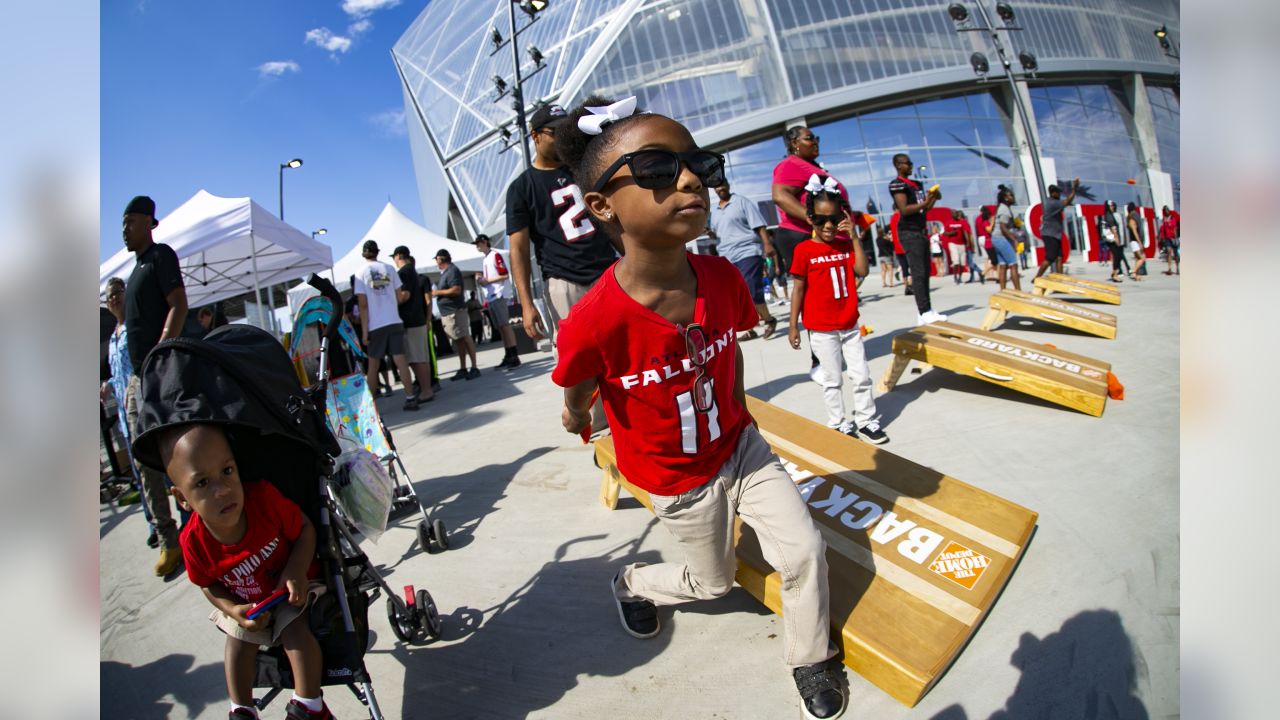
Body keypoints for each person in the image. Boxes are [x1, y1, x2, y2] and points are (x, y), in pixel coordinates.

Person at [552, 95, 848, 720]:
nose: (690, 180)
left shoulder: (723, 278)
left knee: (803, 551)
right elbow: (578, 386)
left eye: (698, 165)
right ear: (603, 206)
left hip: (740, 446)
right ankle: (632, 581)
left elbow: (731, 355)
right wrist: (577, 417)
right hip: (675, 478)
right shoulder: (593, 322)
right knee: (711, 583)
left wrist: (740, 417)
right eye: (658, 170)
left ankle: (811, 656)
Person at [158, 423, 332, 720]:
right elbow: (207, 583)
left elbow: (304, 528)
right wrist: (232, 608)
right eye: (202, 483)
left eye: (227, 471)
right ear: (182, 498)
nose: (222, 489)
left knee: (293, 630)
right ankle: (241, 709)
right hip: (251, 604)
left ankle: (310, 706)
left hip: (294, 586)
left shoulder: (263, 500)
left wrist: (295, 569)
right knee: (236, 639)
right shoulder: (193, 542)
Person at [506, 103, 619, 344]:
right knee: (577, 361)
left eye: (565, 130)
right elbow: (518, 249)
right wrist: (526, 304)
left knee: (624, 347)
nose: (562, 137)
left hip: (608, 272)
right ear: (535, 136)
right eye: (554, 131)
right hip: (564, 281)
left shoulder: (584, 168)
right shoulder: (522, 187)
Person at [787, 178, 889, 445]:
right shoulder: (804, 251)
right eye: (821, 220)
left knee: (862, 376)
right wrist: (793, 325)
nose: (829, 226)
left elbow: (863, 271)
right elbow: (797, 290)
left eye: (834, 219)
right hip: (821, 329)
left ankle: (867, 420)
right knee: (832, 380)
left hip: (850, 325)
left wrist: (854, 235)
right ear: (810, 219)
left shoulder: (846, 245)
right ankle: (838, 423)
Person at [121, 195, 186, 576]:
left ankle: (193, 524)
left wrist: (162, 352)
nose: (124, 230)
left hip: (157, 372)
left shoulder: (160, 256)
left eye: (130, 222)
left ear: (149, 222)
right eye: (123, 224)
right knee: (144, 460)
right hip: (134, 379)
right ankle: (167, 539)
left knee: (172, 451)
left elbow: (178, 303)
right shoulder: (134, 271)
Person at [101, 277, 157, 546]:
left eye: (117, 294)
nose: (113, 300)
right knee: (139, 473)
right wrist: (108, 385)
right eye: (108, 297)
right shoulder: (113, 337)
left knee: (154, 468)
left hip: (143, 407)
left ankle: (172, 521)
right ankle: (153, 525)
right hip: (125, 416)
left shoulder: (135, 328)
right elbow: (117, 373)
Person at [771, 126, 853, 281]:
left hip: (825, 237)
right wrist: (814, 218)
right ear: (794, 143)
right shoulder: (792, 164)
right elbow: (780, 195)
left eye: (817, 138)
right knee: (818, 294)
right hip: (804, 234)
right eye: (809, 138)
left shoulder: (811, 167)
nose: (815, 142)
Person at [354, 240, 421, 410]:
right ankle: (410, 396)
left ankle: (370, 407)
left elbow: (362, 305)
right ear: (377, 252)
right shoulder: (390, 269)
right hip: (394, 320)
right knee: (400, 360)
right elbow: (399, 297)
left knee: (373, 365)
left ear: (364, 254)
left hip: (375, 325)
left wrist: (364, 331)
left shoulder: (360, 273)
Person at [708, 181, 777, 339]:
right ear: (714, 189)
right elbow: (717, 234)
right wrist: (711, 234)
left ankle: (769, 320)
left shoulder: (742, 202)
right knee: (735, 295)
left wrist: (767, 244)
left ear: (728, 185)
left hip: (748, 252)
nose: (721, 188)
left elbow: (759, 225)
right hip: (726, 256)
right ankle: (750, 328)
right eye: (717, 186)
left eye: (723, 184)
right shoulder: (715, 211)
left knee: (751, 290)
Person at [889, 154, 944, 324]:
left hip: (920, 230)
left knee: (925, 271)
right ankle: (923, 311)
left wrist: (932, 199)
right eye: (907, 163)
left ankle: (926, 309)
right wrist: (926, 201)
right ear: (898, 165)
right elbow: (904, 209)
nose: (911, 166)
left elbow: (924, 208)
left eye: (911, 162)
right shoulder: (897, 184)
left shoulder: (917, 185)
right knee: (918, 271)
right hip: (909, 232)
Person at [390, 246, 437, 408]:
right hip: (417, 319)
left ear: (397, 256)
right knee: (419, 357)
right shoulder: (412, 271)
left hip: (411, 321)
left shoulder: (404, 272)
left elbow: (404, 295)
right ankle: (426, 389)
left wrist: (390, 300)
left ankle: (426, 390)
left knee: (417, 358)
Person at [432, 248, 480, 380]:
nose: (436, 262)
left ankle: (474, 367)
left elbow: (456, 290)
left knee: (465, 337)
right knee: (459, 340)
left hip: (456, 311)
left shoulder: (452, 271)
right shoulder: (446, 272)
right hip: (450, 311)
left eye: (436, 259)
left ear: (441, 259)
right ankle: (463, 368)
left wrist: (437, 293)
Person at [474, 235, 521, 369]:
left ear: (485, 242)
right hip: (492, 296)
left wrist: (487, 280)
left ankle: (513, 354)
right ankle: (508, 354)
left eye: (479, 243)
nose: (477, 246)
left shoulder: (495, 255)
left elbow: (504, 274)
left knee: (505, 326)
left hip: (498, 294)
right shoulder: (486, 258)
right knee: (500, 327)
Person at [1035, 179, 1080, 279]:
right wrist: (1074, 189)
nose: (1059, 194)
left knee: (1059, 257)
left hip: (1055, 234)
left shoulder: (1050, 201)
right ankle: (1037, 277)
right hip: (1050, 234)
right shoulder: (1053, 203)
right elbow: (1067, 201)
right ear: (1053, 193)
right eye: (1058, 193)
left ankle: (1060, 279)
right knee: (1050, 257)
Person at [991, 186, 1023, 292]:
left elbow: (1004, 225)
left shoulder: (1003, 208)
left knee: (1003, 265)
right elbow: (1003, 227)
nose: (1013, 197)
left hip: (996, 238)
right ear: (1005, 197)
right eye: (1011, 195)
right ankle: (1018, 291)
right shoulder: (1005, 210)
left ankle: (1003, 291)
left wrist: (1015, 225)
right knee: (1013, 264)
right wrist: (1013, 239)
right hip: (1001, 239)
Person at [942, 213, 968, 285]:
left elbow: (965, 232)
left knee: (962, 263)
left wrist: (968, 242)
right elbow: (944, 233)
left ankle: (960, 278)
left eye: (956, 213)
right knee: (956, 261)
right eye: (953, 213)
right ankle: (955, 278)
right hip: (953, 243)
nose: (955, 215)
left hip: (962, 244)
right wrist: (951, 233)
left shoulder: (962, 222)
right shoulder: (948, 223)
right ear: (952, 215)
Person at [1126, 202, 1147, 280]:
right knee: (1142, 258)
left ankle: (1136, 275)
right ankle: (1134, 272)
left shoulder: (1132, 217)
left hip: (1135, 241)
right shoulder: (1133, 217)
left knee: (1137, 258)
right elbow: (1134, 231)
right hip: (1135, 241)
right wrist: (1140, 242)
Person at [1159, 206, 1180, 275]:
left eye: (1167, 210)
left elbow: (1175, 228)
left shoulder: (1172, 218)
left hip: (1173, 238)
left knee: (1176, 254)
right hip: (1167, 238)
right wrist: (1162, 238)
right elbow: (1163, 229)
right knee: (1169, 253)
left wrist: (1176, 238)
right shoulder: (1164, 219)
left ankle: (1177, 267)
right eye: (1165, 211)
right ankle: (1169, 268)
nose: (1166, 212)